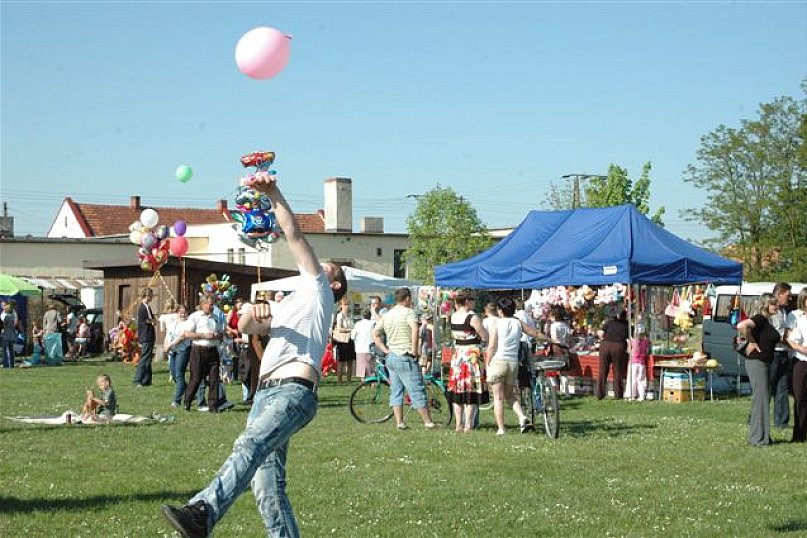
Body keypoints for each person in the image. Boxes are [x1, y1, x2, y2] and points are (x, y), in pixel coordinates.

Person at [161, 170, 348, 538]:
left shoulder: (320, 292)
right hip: (266, 393)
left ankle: (203, 511)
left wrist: (274, 193)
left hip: (293, 391)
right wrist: (252, 314)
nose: (316, 263)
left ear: (335, 283)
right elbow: (246, 327)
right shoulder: (292, 302)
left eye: (327, 267)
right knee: (267, 489)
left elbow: (294, 236)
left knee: (249, 444)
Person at [373, 287, 436, 430]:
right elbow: (414, 329)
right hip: (405, 356)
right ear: (407, 298)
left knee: (396, 391)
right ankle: (428, 422)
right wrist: (414, 349)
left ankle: (399, 422)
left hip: (392, 357)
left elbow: (375, 333)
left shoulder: (388, 315)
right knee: (417, 389)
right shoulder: (409, 313)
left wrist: (385, 350)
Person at [485, 297, 541, 435]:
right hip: (513, 362)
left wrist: (487, 363)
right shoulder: (518, 323)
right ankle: (522, 417)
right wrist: (552, 340)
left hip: (499, 360)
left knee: (498, 397)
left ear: (500, 311)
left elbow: (492, 346)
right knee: (509, 395)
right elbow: (535, 333)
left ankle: (501, 428)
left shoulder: (497, 324)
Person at [736, 293, 781, 447]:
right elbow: (741, 325)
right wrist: (752, 341)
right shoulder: (760, 319)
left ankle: (760, 436)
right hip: (757, 362)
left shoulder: (767, 321)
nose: (777, 306)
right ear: (766, 304)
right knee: (761, 399)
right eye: (773, 304)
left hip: (764, 363)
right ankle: (758, 439)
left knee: (761, 399)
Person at [447, 290, 489, 432]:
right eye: (472, 300)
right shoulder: (472, 317)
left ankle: (458, 424)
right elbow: (484, 336)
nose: (474, 303)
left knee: (457, 391)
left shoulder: (453, 316)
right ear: (467, 302)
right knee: (471, 390)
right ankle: (468, 425)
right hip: (471, 355)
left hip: (458, 355)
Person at [182, 296, 225, 412]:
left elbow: (222, 333)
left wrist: (217, 336)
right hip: (199, 350)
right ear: (203, 304)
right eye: (210, 304)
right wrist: (203, 335)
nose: (211, 307)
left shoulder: (216, 318)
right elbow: (187, 334)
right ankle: (187, 402)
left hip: (213, 350)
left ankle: (213, 406)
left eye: (213, 305)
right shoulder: (195, 317)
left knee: (214, 379)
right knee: (195, 378)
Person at [768, 282, 792, 429]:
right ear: (779, 294)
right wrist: (794, 344)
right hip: (774, 353)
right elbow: (778, 334)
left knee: (782, 388)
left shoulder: (784, 312)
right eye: (787, 295)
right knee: (768, 388)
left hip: (784, 353)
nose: (789, 299)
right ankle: (757, 418)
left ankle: (781, 421)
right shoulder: (774, 311)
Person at [785, 288, 807, 442]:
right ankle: (799, 434)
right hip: (800, 360)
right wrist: (801, 349)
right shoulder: (794, 316)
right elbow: (787, 338)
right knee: (800, 397)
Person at [596, 309, 629, 400]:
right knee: (617, 371)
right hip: (618, 346)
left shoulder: (609, 323)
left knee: (603, 370)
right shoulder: (627, 325)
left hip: (605, 345)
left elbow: (601, 334)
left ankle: (600, 394)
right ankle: (618, 395)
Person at [164, 305, 192, 408]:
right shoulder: (173, 323)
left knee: (179, 375)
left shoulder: (188, 324)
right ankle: (190, 392)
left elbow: (182, 337)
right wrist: (165, 346)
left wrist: (170, 345)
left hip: (183, 350)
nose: (182, 314)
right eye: (180, 312)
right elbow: (168, 335)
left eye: (184, 312)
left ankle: (176, 401)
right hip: (173, 351)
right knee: (174, 375)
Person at [133, 287, 157, 387]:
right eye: (151, 295)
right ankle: (137, 379)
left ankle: (147, 380)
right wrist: (153, 321)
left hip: (149, 335)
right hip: (146, 335)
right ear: (147, 295)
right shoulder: (144, 307)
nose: (152, 297)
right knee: (145, 358)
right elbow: (149, 320)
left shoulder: (147, 306)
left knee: (148, 358)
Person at [333, 298, 355, 384]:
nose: (347, 306)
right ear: (341, 306)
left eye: (348, 304)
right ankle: (339, 381)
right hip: (341, 341)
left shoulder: (350, 315)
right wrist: (351, 329)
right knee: (341, 362)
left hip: (350, 340)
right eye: (345, 304)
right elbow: (339, 328)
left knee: (350, 361)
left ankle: (349, 380)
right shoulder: (339, 315)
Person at [351, 308, 376, 381]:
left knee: (361, 368)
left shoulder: (358, 324)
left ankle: (363, 383)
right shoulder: (373, 323)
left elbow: (352, 336)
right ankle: (373, 383)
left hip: (360, 348)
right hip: (371, 348)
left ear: (362, 316)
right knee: (371, 367)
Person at [626, 330, 650, 401]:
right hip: (641, 363)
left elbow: (629, 351)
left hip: (633, 363)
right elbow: (647, 352)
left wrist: (628, 344)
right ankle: (641, 396)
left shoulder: (632, 341)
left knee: (632, 379)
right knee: (641, 380)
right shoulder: (646, 342)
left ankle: (631, 395)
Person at [159, 301, 180, 379]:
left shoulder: (163, 317)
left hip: (169, 335)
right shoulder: (176, 315)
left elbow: (162, 329)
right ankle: (177, 372)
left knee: (170, 355)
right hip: (177, 334)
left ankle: (172, 374)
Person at [1, 301, 19, 368]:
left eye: (4, 305)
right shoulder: (13, 313)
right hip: (11, 333)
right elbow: (15, 323)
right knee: (10, 349)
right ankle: (11, 364)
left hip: (6, 333)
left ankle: (7, 364)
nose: (3, 306)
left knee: (6, 349)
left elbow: (3, 324)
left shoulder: (5, 314)